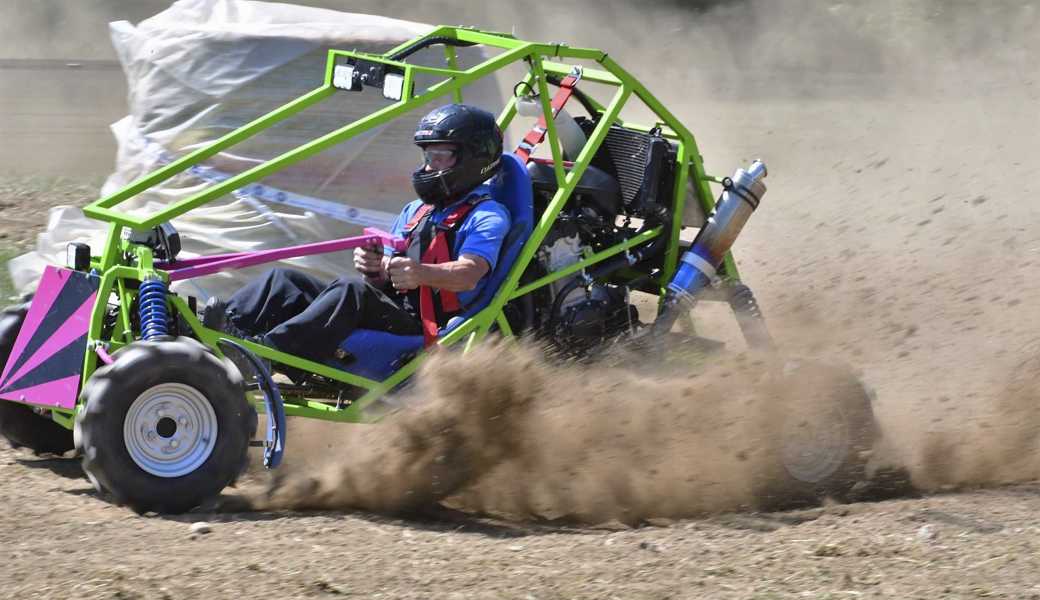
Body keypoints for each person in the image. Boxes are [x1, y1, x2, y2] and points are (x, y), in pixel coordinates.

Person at [204, 104, 511, 364]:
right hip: (392, 308)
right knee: (283, 281)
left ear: (474, 159)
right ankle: (214, 332)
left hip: (424, 325)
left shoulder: (487, 215)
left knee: (350, 291)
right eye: (428, 156)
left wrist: (419, 273)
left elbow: (469, 274)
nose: (430, 166)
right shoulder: (416, 210)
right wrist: (374, 268)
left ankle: (265, 357)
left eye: (441, 157)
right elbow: (382, 282)